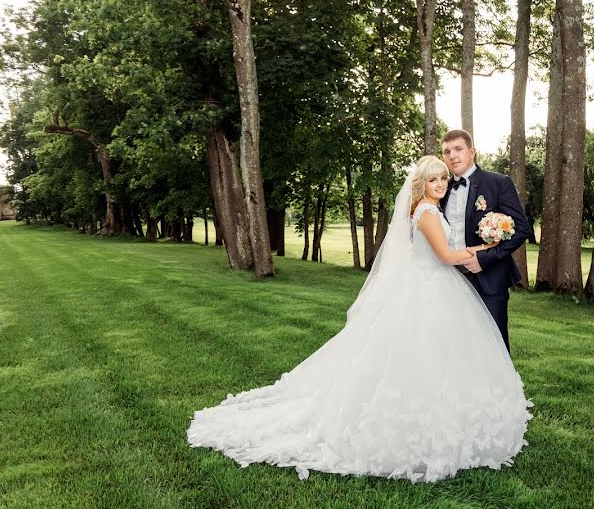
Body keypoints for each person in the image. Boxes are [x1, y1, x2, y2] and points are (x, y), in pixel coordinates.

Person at [188, 156, 532, 483]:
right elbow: (444, 256)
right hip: (432, 287)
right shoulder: (427, 211)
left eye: (444, 178)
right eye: (434, 179)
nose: (441, 183)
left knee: (437, 354)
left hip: (432, 286)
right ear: (421, 183)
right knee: (424, 354)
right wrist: (481, 251)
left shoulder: (427, 208)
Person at [441, 129, 531, 353]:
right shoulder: (441, 189)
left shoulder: (498, 183)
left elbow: (522, 229)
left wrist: (484, 258)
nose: (452, 156)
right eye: (446, 152)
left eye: (458, 149)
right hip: (449, 280)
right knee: (456, 347)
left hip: (489, 279)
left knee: (494, 348)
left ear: (472, 152)